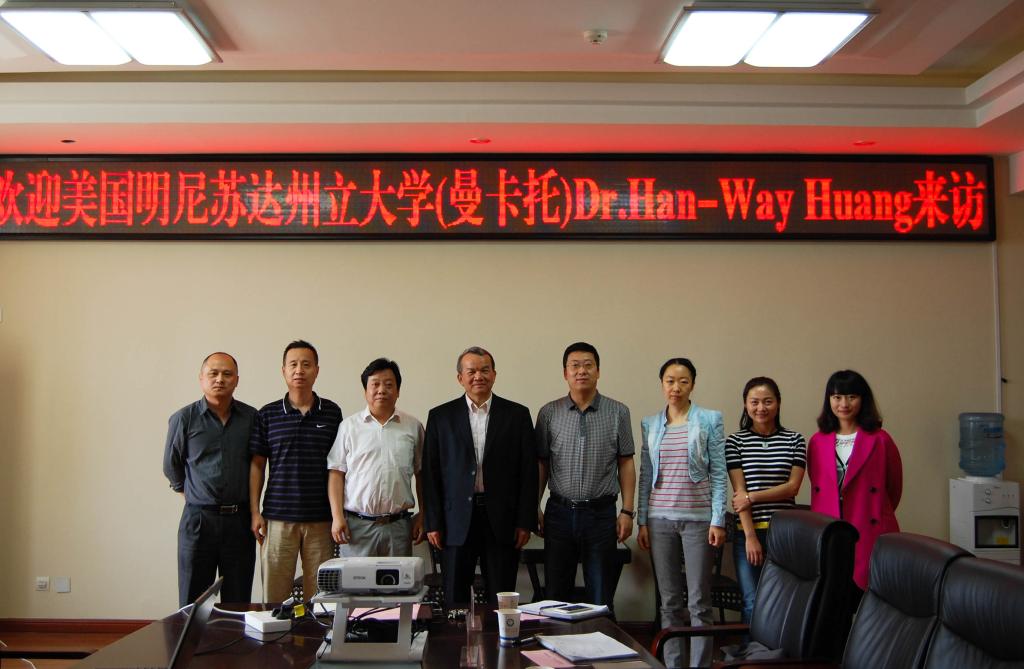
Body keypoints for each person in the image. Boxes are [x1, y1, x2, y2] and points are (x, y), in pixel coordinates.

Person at [422, 346, 538, 606]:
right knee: (455, 596)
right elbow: (431, 473)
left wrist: (525, 521)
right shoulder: (440, 417)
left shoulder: (517, 415)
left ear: (494, 374)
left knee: (501, 596)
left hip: (502, 518)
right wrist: (433, 521)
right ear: (460, 378)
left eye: (485, 370)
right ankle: (455, 634)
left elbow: (528, 472)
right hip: (454, 520)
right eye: (471, 371)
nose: (478, 376)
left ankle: (500, 633)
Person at [636, 357, 725, 669]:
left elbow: (719, 472)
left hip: (698, 521)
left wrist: (718, 519)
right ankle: (673, 664)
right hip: (659, 520)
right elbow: (646, 475)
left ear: (692, 385)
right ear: (662, 384)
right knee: (669, 600)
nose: (676, 387)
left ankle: (700, 665)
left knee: (699, 601)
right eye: (670, 381)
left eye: (683, 381)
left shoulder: (709, 419)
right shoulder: (650, 424)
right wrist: (642, 520)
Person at [536, 342, 635, 610]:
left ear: (598, 371)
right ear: (565, 373)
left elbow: (626, 462)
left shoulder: (618, 412)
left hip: (601, 515)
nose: (582, 371)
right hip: (559, 513)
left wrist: (627, 511)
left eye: (588, 365)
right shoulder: (548, 413)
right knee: (555, 594)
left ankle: (600, 637)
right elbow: (541, 463)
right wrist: (535, 506)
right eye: (575, 366)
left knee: (600, 595)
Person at [249, 340, 343, 603]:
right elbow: (257, 466)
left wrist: (338, 514)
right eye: (293, 364)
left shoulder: (332, 413)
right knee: (275, 600)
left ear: (317, 370)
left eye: (306, 364)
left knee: (321, 600)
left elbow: (338, 468)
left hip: (321, 520)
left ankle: (314, 633)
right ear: (283, 371)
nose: (299, 370)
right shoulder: (267, 414)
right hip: (278, 519)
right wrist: (255, 512)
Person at [163, 352, 257, 607]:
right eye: (213, 373)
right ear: (201, 378)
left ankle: (233, 637)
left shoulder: (251, 418)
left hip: (239, 521)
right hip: (198, 521)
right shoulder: (184, 418)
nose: (220, 379)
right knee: (193, 600)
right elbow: (171, 466)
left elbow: (257, 465)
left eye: (227, 374)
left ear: (237, 380)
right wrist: (191, 495)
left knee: (238, 601)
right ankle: (194, 637)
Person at [808, 369, 902, 592]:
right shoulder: (817, 441)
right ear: (829, 400)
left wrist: (874, 509)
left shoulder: (881, 440)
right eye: (837, 397)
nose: (844, 404)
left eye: (852, 396)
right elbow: (818, 484)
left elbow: (894, 487)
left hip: (868, 524)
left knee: (868, 592)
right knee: (831, 593)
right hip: (830, 525)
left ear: (863, 399)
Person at [725, 377, 806, 624]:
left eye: (768, 401)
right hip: (748, 533)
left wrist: (753, 496)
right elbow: (739, 494)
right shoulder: (735, 442)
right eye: (755, 402)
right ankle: (752, 649)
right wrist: (750, 537)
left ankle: (779, 648)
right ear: (745, 404)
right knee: (752, 601)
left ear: (778, 403)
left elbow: (792, 488)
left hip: (784, 533)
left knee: (782, 601)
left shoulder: (795, 440)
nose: (761, 408)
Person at [327, 358, 425, 557]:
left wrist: (424, 514)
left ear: (398, 391)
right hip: (356, 528)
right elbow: (336, 474)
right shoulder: (348, 427)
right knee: (356, 578)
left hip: (398, 527)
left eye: (389, 385)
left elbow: (422, 474)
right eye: (375, 384)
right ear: (366, 390)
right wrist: (337, 517)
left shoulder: (413, 427)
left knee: (398, 578)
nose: (382, 390)